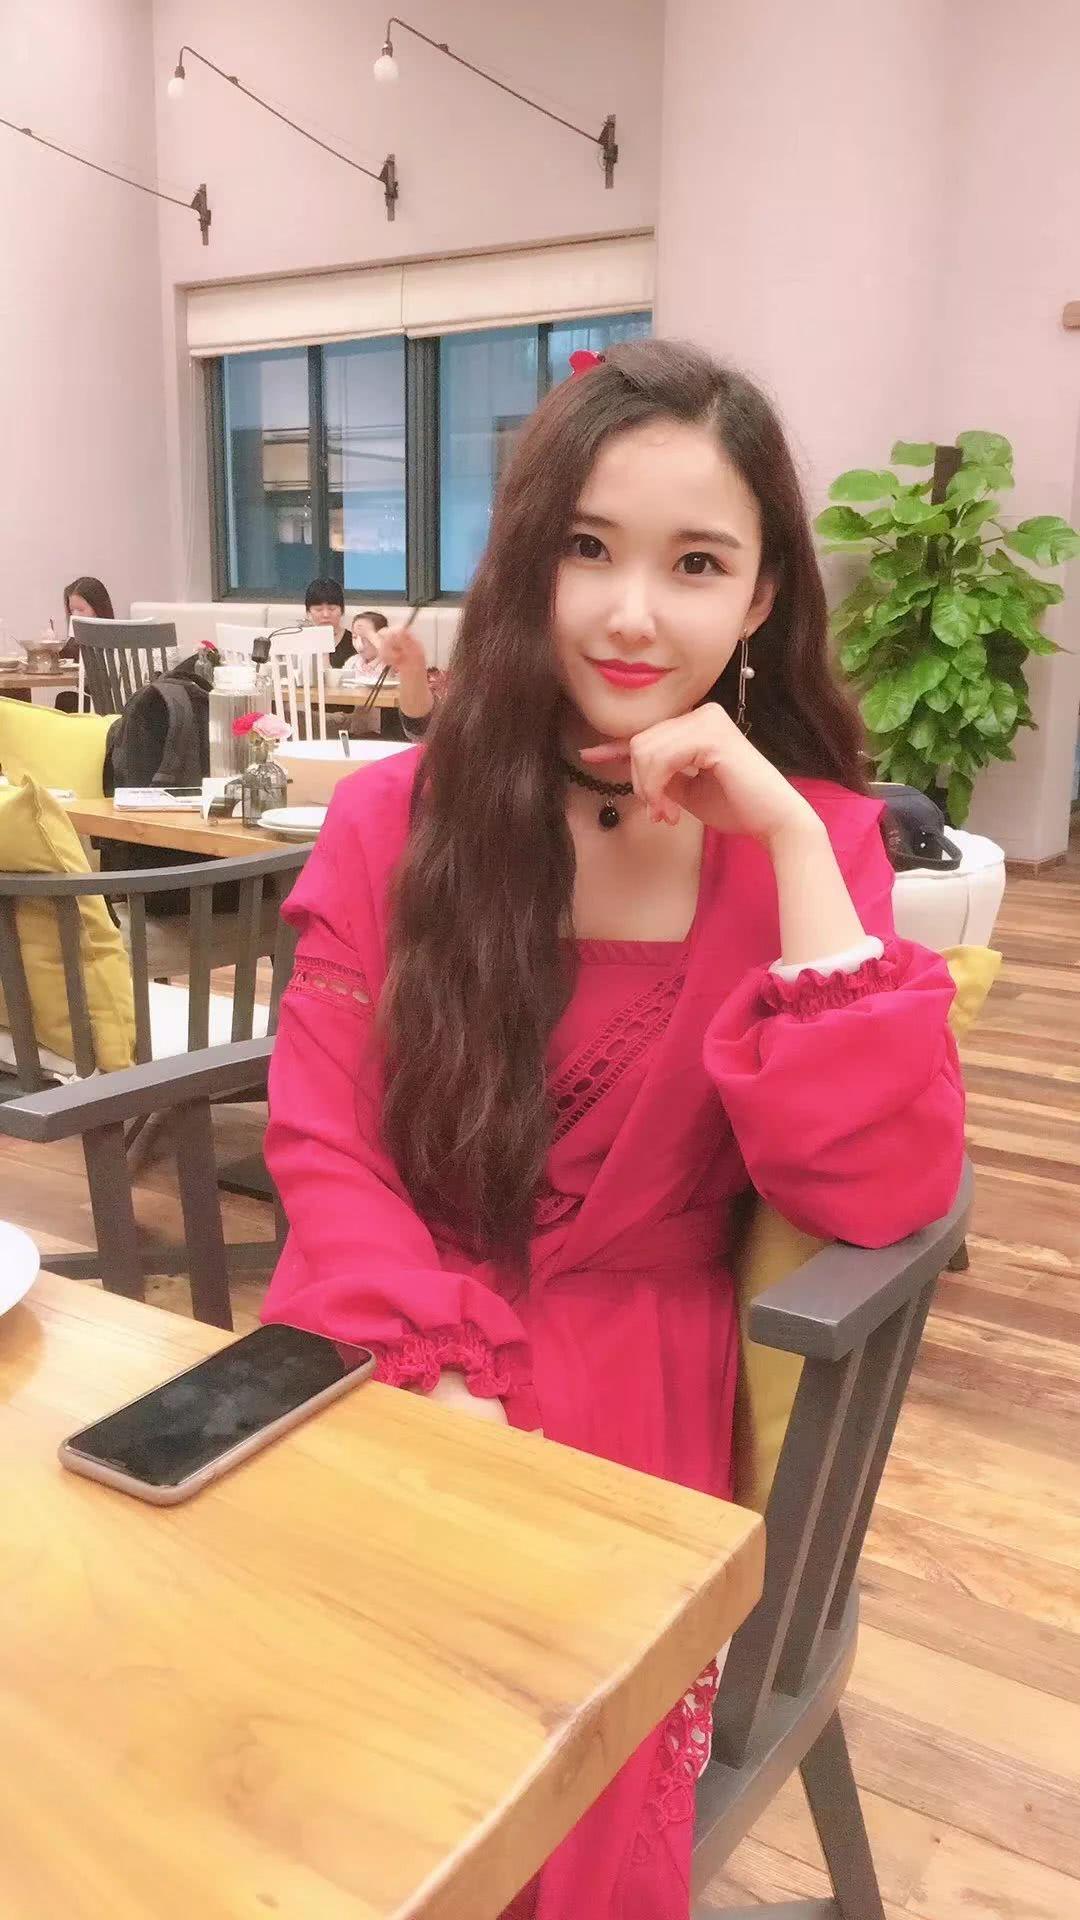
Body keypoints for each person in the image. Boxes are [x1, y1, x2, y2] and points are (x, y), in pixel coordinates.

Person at [261, 340, 965, 1919]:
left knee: (521, 1812)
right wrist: (437, 1376)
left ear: (763, 597)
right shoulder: (394, 820)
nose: (632, 612)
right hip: (390, 1354)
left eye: (695, 564)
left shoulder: (815, 844)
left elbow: (881, 1186)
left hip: (633, 1396)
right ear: (530, 558)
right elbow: (323, 1144)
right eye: (588, 547)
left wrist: (791, 838)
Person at [57, 575, 116, 709]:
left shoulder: (110, 639)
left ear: (98, 609)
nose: (75, 616)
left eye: (81, 610)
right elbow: (64, 659)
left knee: (65, 700)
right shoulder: (77, 640)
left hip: (106, 705)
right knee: (65, 698)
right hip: (94, 702)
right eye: (72, 610)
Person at [302, 577, 350, 661]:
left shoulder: (354, 643)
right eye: (318, 609)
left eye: (332, 609)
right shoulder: (299, 642)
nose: (326, 615)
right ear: (308, 612)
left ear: (342, 610)